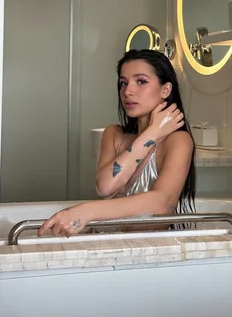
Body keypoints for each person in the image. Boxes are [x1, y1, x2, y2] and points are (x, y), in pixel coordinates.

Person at [38, 49, 196, 238]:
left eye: (141, 81)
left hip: (148, 248)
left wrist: (87, 211)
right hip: (105, 242)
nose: (127, 91)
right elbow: (105, 186)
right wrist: (152, 133)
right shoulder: (113, 134)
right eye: (123, 83)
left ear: (166, 90)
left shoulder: (178, 141)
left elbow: (162, 204)